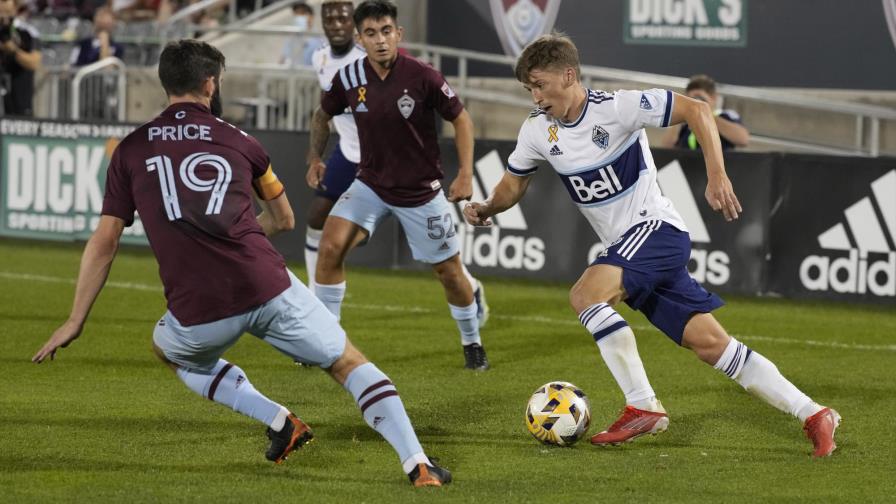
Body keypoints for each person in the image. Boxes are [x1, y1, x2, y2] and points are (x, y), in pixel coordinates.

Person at [32, 39, 452, 487]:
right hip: (267, 287)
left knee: (168, 349)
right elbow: (285, 219)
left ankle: (278, 420)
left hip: (199, 312)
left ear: (165, 83)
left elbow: (105, 240)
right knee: (347, 363)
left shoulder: (131, 151)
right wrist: (242, 234)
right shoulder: (242, 142)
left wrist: (76, 319)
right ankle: (418, 465)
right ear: (210, 83)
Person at [463, 33, 840, 457]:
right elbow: (514, 182)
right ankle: (814, 413)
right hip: (632, 248)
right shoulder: (537, 129)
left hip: (656, 231)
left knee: (586, 295)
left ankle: (642, 405)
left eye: (539, 84)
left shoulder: (617, 108)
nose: (535, 95)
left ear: (568, 75)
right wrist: (488, 206)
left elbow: (697, 110)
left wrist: (717, 174)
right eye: (528, 88)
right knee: (713, 346)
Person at [307, 0, 491, 370]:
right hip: (370, 186)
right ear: (361, 38)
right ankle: (327, 343)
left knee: (451, 275)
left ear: (398, 34)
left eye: (386, 31)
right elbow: (322, 114)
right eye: (371, 34)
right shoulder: (349, 78)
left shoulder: (423, 76)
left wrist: (466, 173)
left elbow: (463, 120)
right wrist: (315, 157)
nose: (380, 41)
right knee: (328, 247)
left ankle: (472, 342)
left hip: (420, 192)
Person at [661, 74, 750, 151]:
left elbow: (743, 139)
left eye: (701, 98)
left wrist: (707, 114)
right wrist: (681, 115)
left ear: (714, 98)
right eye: (691, 99)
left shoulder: (725, 116)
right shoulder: (684, 123)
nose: (696, 102)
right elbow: (666, 147)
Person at [0, 0, 40, 116]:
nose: (1, 4)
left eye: (5, 1)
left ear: (15, 5)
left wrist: (13, 50)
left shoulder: (26, 31)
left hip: (19, 101)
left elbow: (34, 63)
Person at [280, 2, 323, 67]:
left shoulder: (319, 39)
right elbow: (283, 59)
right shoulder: (292, 38)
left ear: (311, 16)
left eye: (302, 13)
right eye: (296, 14)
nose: (298, 17)